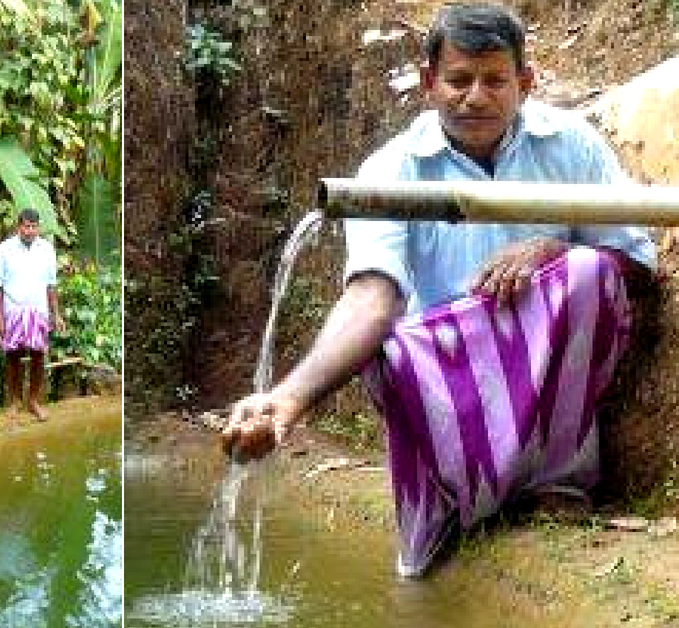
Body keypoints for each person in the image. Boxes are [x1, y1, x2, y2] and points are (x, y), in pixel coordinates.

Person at [222, 2, 655, 577]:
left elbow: (638, 263)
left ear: (525, 83)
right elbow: (371, 300)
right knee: (389, 351)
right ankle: (458, 494)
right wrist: (290, 399)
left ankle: (558, 482)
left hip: (543, 356)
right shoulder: (391, 170)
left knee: (587, 272)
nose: (475, 96)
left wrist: (553, 250)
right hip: (447, 371)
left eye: (494, 80)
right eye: (458, 79)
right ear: (429, 83)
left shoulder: (571, 145)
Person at [0, 209, 67, 419]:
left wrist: (57, 314)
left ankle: (34, 401)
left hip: (38, 311)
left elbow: (51, 286)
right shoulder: (3, 250)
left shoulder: (47, 250)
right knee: (13, 356)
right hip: (13, 310)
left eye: (34, 227)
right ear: (19, 227)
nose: (29, 231)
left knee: (38, 355)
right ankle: (15, 401)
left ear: (38, 228)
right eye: (26, 226)